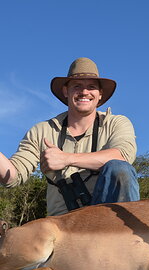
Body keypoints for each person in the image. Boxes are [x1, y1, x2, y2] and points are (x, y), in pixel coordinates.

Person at [0, 57, 140, 216]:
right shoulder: (42, 130)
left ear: (100, 94)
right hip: (61, 225)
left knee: (119, 168)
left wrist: (66, 159)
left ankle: (125, 236)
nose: (84, 92)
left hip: (108, 221)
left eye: (91, 87)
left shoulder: (116, 123)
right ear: (66, 91)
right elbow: (13, 177)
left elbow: (122, 157)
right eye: (77, 86)